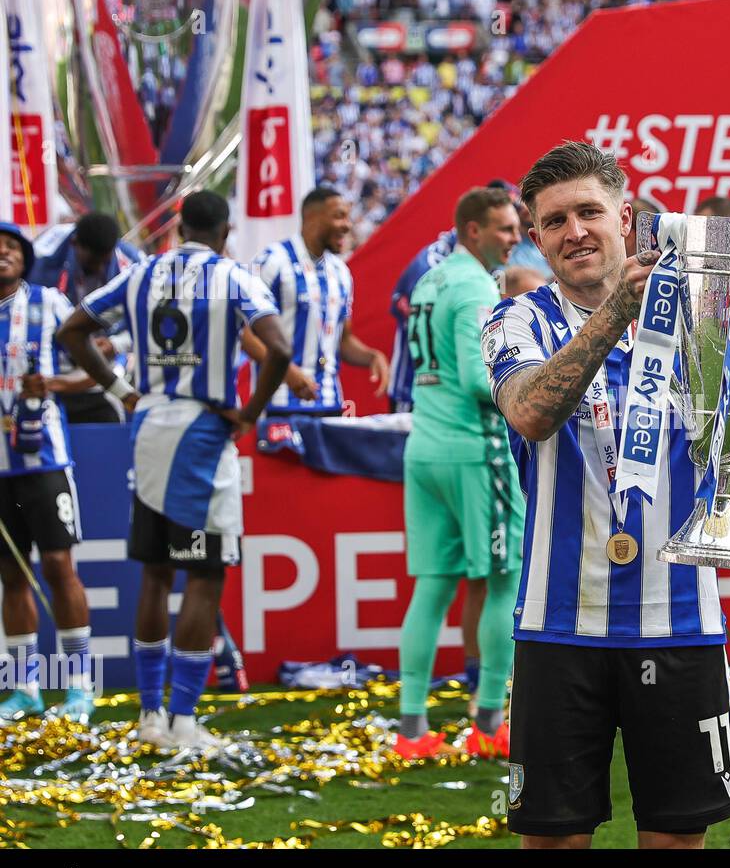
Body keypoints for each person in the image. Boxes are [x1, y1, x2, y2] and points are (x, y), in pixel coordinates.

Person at [484, 141, 730, 848]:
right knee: (552, 838)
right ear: (536, 235)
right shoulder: (518, 320)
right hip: (557, 624)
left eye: (588, 212)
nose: (574, 231)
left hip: (680, 623)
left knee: (676, 836)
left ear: (625, 216)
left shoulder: (700, 317)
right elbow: (530, 413)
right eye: (554, 221)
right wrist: (617, 316)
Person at [58, 191, 291, 752]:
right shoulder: (234, 276)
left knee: (156, 572)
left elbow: (71, 331)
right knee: (205, 576)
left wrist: (120, 391)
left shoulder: (140, 273)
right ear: (225, 231)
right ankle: (184, 720)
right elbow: (278, 349)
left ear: (178, 226)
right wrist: (249, 415)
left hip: (149, 430)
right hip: (203, 441)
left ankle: (150, 716)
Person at [396, 187, 525, 761]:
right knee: (503, 579)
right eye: (503, 228)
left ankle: (412, 729)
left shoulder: (430, 279)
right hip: (474, 452)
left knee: (432, 587)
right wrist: (537, 383)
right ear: (472, 230)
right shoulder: (475, 284)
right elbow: (479, 378)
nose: (515, 237)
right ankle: (490, 723)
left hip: (424, 447)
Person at [0, 222, 95, 724]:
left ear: (25, 256)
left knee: (59, 568)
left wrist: (54, 383)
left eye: (11, 246)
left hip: (46, 462)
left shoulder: (50, 304)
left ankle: (79, 688)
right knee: (11, 577)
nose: (2, 252)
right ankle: (24, 691)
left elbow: (104, 361)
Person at [245, 187, 388, 415]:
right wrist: (287, 372)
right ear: (312, 217)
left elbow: (343, 340)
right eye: (339, 216)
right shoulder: (272, 261)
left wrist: (371, 356)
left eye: (348, 217)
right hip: (280, 405)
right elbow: (246, 334)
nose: (347, 225)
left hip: (329, 404)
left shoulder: (340, 272)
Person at [29, 212, 142, 424]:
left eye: (104, 262)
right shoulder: (41, 258)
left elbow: (148, 319)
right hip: (51, 360)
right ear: (75, 244)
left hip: (104, 366)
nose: (99, 269)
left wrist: (114, 343)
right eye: (92, 263)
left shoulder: (133, 264)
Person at [388, 229, 457, 414]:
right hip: (415, 395)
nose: (513, 238)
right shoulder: (430, 266)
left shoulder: (489, 265)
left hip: (450, 397)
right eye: (504, 229)